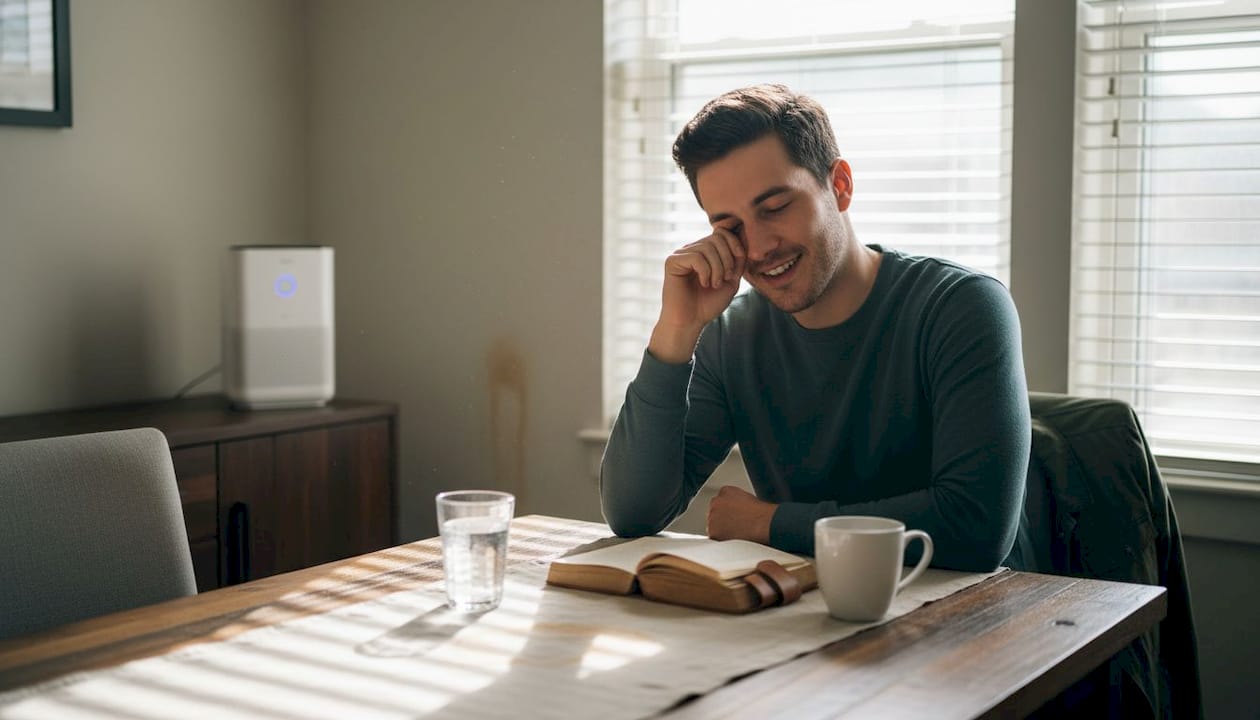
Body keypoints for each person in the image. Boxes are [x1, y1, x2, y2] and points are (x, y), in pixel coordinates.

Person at [599, 84, 1030, 571]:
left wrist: (769, 523)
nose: (758, 248)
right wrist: (676, 331)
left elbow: (976, 530)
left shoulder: (962, 307)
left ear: (840, 186)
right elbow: (633, 514)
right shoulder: (731, 336)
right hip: (811, 615)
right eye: (730, 226)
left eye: (776, 207)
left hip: (975, 617)